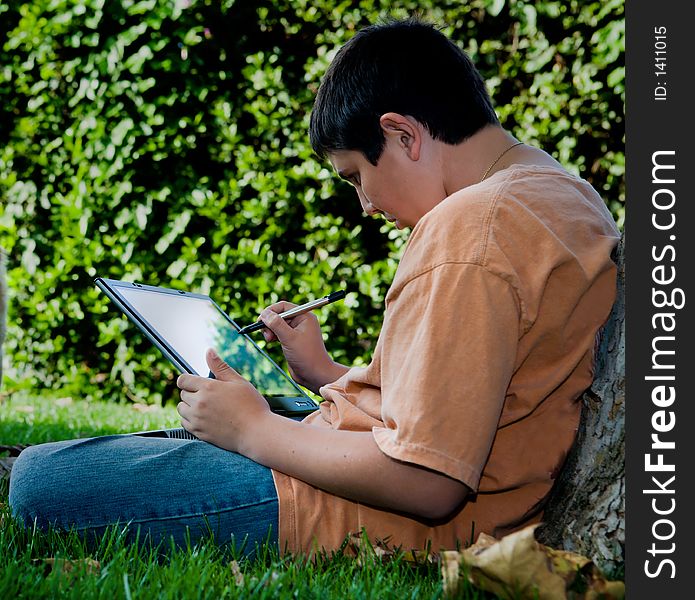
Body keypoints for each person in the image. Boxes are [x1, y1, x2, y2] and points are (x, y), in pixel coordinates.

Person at [9, 18, 620, 556]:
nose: (366, 207)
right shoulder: (562, 196)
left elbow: (431, 483)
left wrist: (255, 431)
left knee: (38, 477)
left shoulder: (469, 233)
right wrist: (324, 374)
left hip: (351, 512)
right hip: (378, 474)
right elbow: (475, 398)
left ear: (403, 135)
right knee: (106, 455)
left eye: (356, 175)